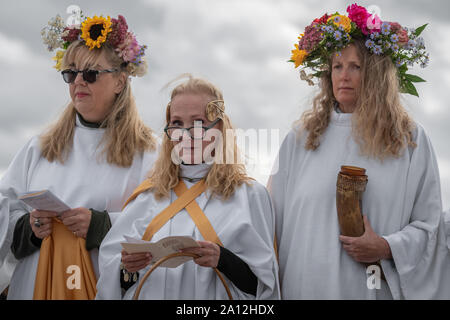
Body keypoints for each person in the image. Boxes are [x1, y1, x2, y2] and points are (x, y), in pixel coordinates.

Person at [269, 4, 450, 299]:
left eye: (356, 66)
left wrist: (387, 246)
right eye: (337, 66)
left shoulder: (408, 140)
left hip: (370, 286)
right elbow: (272, 224)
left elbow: (429, 227)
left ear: (377, 73)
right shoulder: (301, 139)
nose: (344, 76)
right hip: (305, 287)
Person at [0, 13, 158, 299]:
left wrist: (102, 225)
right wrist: (30, 227)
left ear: (121, 82)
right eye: (71, 73)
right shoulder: (40, 148)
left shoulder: (148, 152)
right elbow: (5, 212)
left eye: (91, 74)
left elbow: (163, 221)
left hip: (102, 285)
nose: (78, 82)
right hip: (37, 285)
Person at [96, 75, 280, 300]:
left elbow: (264, 288)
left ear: (219, 128)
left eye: (198, 123)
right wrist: (127, 270)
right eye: (177, 124)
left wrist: (223, 259)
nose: (186, 134)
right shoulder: (148, 197)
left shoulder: (250, 196)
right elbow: (115, 281)